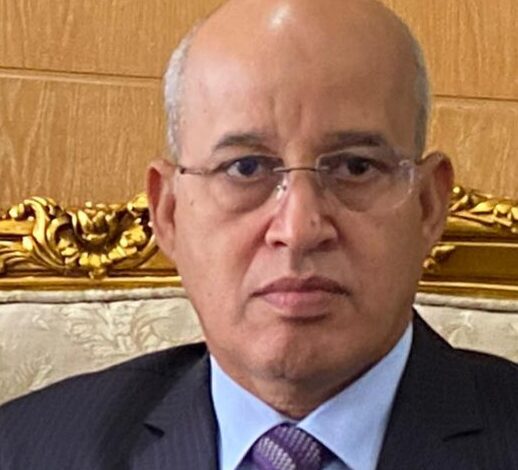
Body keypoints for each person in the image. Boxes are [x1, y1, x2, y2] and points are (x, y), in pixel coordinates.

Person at [1, 0, 518, 468]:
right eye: (245, 168)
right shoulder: (25, 449)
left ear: (428, 206)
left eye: (355, 167)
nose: (298, 229)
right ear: (169, 213)